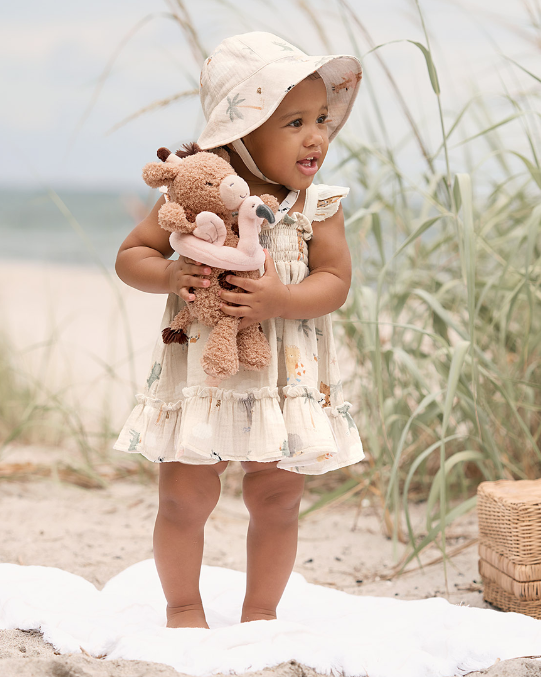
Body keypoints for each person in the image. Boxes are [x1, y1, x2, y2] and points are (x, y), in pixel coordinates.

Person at [114, 32, 365, 629]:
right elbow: (131, 257)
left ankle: (260, 613)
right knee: (184, 496)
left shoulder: (316, 206)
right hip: (201, 373)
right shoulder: (194, 191)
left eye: (322, 120)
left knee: (277, 499)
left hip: (281, 378)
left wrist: (281, 298)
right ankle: (183, 608)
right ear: (242, 132)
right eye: (295, 122)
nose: (317, 137)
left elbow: (334, 281)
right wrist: (172, 274)